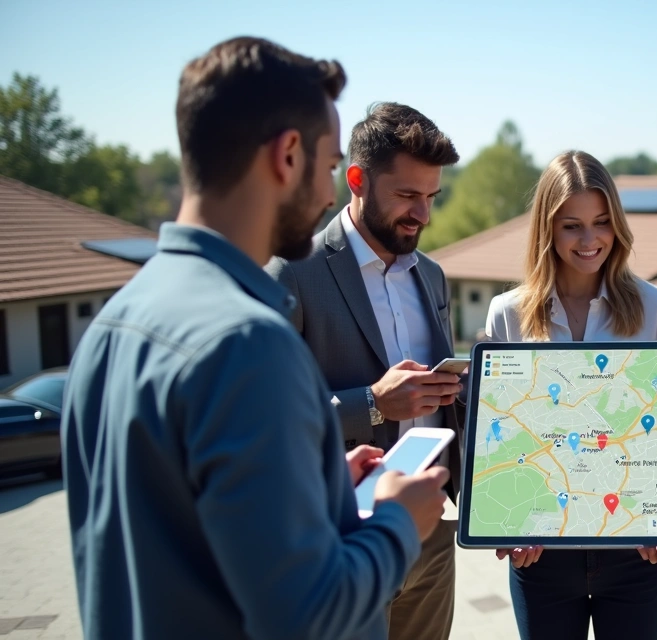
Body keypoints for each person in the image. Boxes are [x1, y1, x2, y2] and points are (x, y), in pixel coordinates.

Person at [61, 37, 448, 640]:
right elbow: (306, 613)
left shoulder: (109, 326)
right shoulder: (246, 342)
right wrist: (398, 520)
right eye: (325, 169)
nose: (326, 196)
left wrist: (316, 479)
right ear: (287, 156)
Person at [266, 102, 464, 640]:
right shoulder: (293, 272)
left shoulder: (433, 275)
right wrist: (373, 402)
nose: (422, 214)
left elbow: (445, 406)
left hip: (432, 535)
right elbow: (268, 422)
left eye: (431, 197)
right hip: (339, 538)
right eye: (407, 196)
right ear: (356, 179)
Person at [484, 151, 657, 640]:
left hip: (633, 554)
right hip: (542, 557)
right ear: (547, 230)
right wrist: (507, 525)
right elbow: (497, 437)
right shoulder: (506, 314)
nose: (590, 239)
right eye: (572, 225)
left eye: (601, 222)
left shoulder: (656, 307)